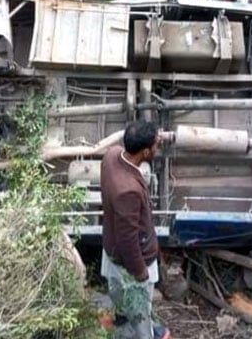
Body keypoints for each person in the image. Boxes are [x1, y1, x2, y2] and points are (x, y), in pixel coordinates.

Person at [101, 121, 170, 339]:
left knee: (117, 291)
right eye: (156, 144)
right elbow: (128, 238)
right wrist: (140, 272)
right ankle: (145, 335)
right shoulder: (128, 191)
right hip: (131, 262)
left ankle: (121, 317)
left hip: (110, 250)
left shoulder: (111, 155)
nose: (158, 146)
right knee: (141, 310)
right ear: (146, 151)